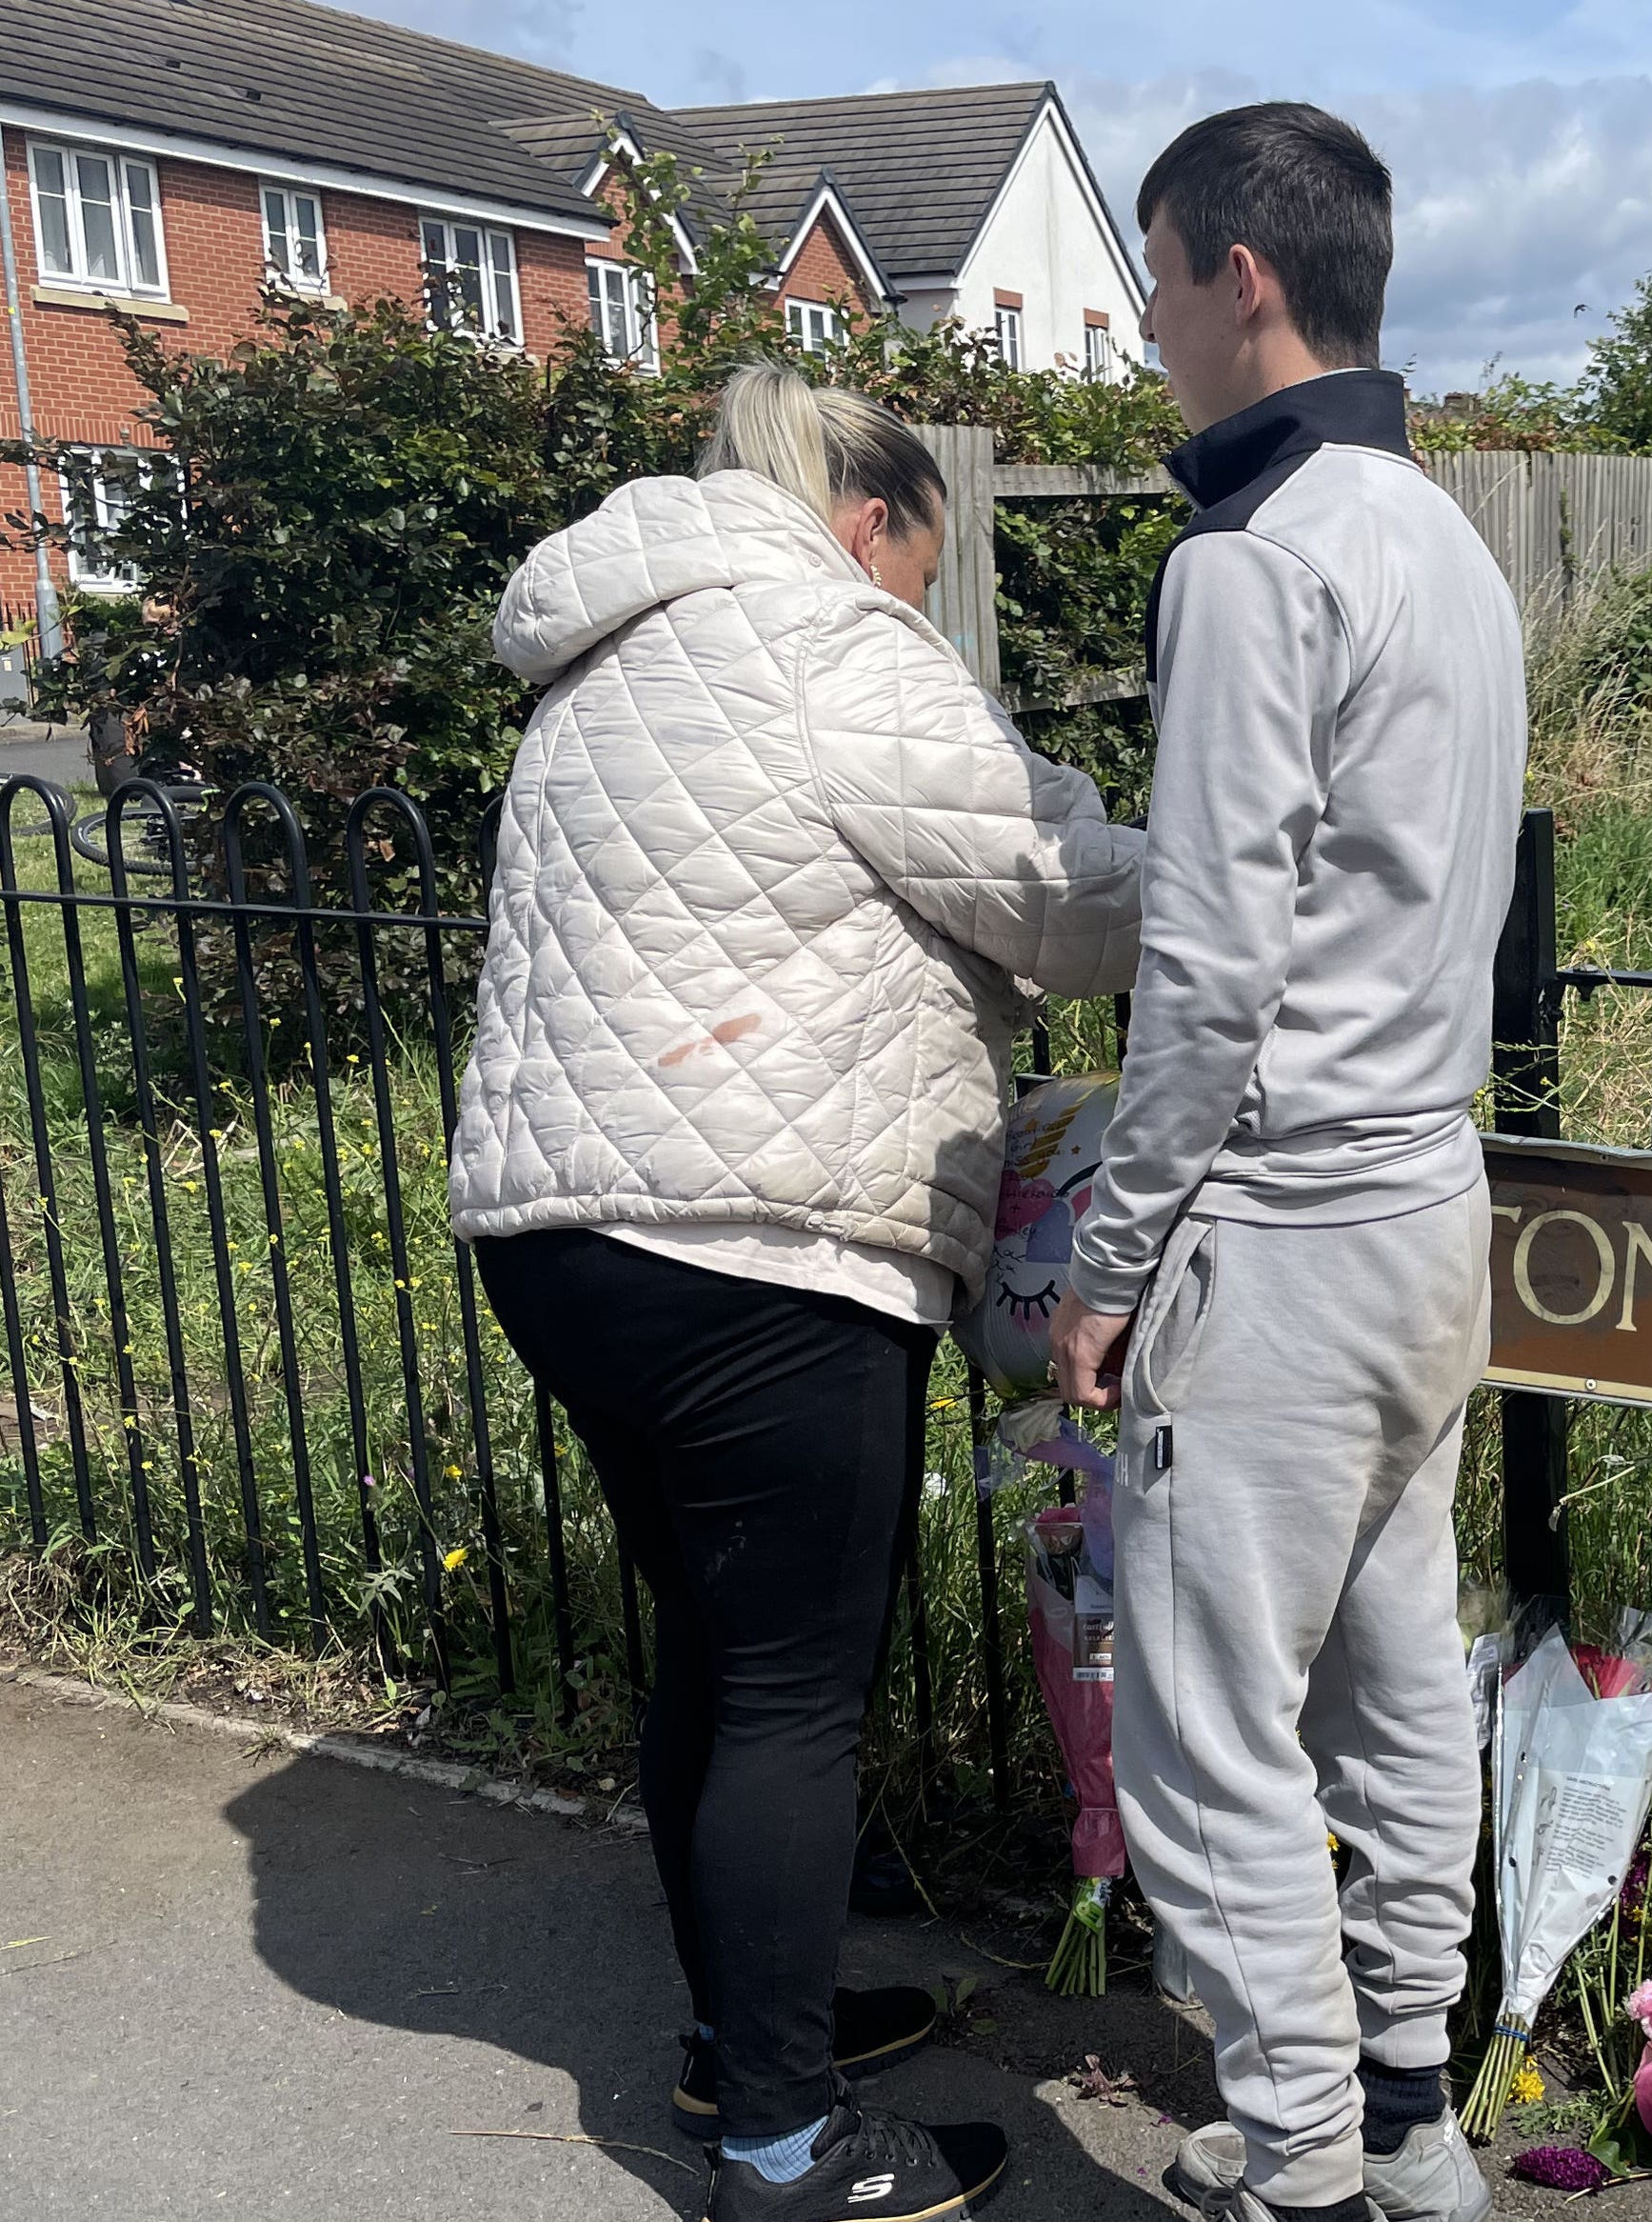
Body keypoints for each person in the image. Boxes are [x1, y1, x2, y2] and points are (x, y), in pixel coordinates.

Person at [452, 362, 1143, 2222]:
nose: (921, 608)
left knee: (722, 1655)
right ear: (871, 522)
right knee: (787, 1698)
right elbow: (1059, 894)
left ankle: (745, 2035)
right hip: (753, 1241)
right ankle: (779, 2149)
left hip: (562, 1238)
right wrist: (1251, 885)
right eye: (923, 573)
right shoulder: (828, 642)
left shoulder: (610, 653)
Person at [1042, 103, 1524, 2222]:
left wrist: (1106, 1259)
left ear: (1242, 276)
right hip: (1433, 1202)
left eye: (1155, 277)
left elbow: (1210, 973)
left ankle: (1304, 2175)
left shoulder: (1256, 561)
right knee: (1402, 1668)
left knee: (1212, 1736)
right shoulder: (1443, 536)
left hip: (1288, 1225)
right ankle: (1410, 2110)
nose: (1148, 325)